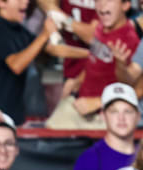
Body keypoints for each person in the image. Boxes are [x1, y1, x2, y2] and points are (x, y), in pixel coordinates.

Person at [0, 0, 88, 125]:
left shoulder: (20, 31)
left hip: (16, 111)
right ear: (0, 2)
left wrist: (89, 54)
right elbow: (16, 65)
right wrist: (45, 34)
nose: (26, 2)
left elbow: (53, 49)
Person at [46, 0, 139, 129]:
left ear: (125, 5)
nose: (102, 5)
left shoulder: (130, 38)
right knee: (50, 128)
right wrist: (76, 81)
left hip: (102, 113)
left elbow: (131, 86)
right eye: (98, 1)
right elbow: (94, 60)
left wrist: (100, 103)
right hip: (81, 103)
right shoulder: (101, 28)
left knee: (51, 132)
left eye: (108, 1)